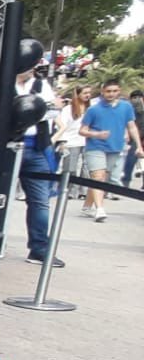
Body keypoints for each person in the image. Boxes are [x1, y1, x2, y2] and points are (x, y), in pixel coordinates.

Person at [77, 79, 141, 223]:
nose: (111, 94)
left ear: (119, 91)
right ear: (102, 92)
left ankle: (87, 206)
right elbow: (82, 130)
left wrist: (138, 146)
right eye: (108, 91)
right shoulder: (93, 109)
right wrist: (96, 134)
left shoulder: (126, 107)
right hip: (95, 147)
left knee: (101, 179)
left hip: (115, 147)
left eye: (114, 91)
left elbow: (131, 126)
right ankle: (100, 209)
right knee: (98, 176)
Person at [14, 68, 62, 263]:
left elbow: (53, 111)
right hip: (8, 145)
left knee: (40, 201)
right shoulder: (4, 83)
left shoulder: (41, 85)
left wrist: (36, 111)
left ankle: (39, 249)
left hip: (37, 146)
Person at [124, 89, 144, 191]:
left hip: (138, 135)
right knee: (131, 159)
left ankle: (126, 181)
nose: (137, 100)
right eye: (134, 98)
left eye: (139, 97)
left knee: (131, 159)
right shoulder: (130, 108)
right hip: (135, 136)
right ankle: (126, 181)